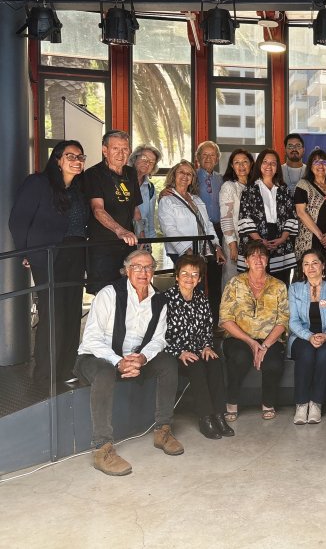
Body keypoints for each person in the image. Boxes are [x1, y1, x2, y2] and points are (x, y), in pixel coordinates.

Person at [73, 250, 182, 476]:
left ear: (153, 271)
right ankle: (102, 449)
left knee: (168, 364)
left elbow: (159, 339)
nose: (143, 272)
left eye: (148, 267)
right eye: (137, 267)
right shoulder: (109, 294)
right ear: (127, 270)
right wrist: (118, 362)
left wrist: (142, 358)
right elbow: (91, 339)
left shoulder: (159, 300)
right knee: (104, 372)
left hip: (134, 358)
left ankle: (163, 430)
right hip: (96, 358)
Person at [9, 140, 89, 384]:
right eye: (70, 156)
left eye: (80, 157)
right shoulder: (38, 183)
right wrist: (25, 252)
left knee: (72, 311)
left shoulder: (79, 188)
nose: (77, 161)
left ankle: (66, 369)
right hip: (49, 254)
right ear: (57, 160)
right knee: (53, 313)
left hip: (76, 253)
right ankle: (45, 374)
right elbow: (18, 220)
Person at [164, 254, 233, 440]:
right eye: (185, 273)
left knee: (214, 362)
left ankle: (219, 415)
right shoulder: (165, 299)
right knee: (197, 367)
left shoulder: (201, 298)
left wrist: (207, 347)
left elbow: (207, 328)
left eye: (195, 274)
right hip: (174, 353)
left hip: (197, 349)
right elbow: (159, 335)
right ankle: (205, 418)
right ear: (177, 276)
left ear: (200, 279)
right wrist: (180, 352)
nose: (190, 278)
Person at [219, 241, 289, 422]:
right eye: (253, 256)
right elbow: (225, 319)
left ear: (267, 260)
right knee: (240, 357)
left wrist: (264, 345)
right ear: (246, 261)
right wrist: (251, 342)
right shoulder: (234, 283)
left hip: (270, 338)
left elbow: (283, 320)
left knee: (273, 363)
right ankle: (231, 402)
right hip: (238, 337)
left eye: (262, 255)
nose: (258, 259)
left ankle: (268, 403)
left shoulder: (279, 286)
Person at [157, 161, 226, 325]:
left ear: (192, 179)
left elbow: (207, 224)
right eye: (181, 172)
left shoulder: (196, 199)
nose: (185, 176)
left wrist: (217, 246)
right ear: (174, 175)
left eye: (189, 174)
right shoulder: (167, 200)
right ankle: (186, 326)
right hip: (183, 253)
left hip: (204, 250)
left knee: (210, 287)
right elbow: (169, 229)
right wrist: (186, 251)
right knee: (190, 288)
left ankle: (209, 324)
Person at [288, 249, 326, 425]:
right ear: (302, 268)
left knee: (325, 354)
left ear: (323, 265)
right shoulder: (295, 288)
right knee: (306, 353)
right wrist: (309, 336)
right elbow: (293, 321)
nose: (310, 267)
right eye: (306, 264)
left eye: (315, 263)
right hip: (302, 336)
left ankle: (316, 403)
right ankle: (301, 404)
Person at [83, 129, 142, 294]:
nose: (121, 153)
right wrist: (120, 231)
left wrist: (142, 237)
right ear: (105, 150)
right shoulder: (93, 174)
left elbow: (135, 209)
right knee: (105, 294)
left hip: (128, 245)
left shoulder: (131, 173)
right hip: (103, 246)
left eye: (125, 149)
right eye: (115, 148)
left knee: (129, 292)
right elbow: (97, 209)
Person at [238, 149, 298, 285]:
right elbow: (245, 218)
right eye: (265, 162)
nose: (269, 166)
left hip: (280, 241)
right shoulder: (249, 190)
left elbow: (292, 216)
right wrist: (260, 240)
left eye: (273, 163)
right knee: (255, 283)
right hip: (255, 241)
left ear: (277, 167)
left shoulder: (284, 189)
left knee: (280, 283)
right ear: (259, 164)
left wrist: (283, 238)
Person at [294, 149, 326, 278]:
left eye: (324, 162)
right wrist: (321, 237)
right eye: (316, 162)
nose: (320, 165)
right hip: (310, 243)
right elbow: (301, 212)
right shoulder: (303, 185)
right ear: (310, 166)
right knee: (307, 282)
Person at [219, 148, 254, 287]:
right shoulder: (229, 186)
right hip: (234, 241)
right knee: (232, 282)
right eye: (237, 162)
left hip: (253, 242)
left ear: (251, 164)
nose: (241, 166)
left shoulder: (256, 185)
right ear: (232, 166)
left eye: (245, 162)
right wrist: (232, 244)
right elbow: (226, 217)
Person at [129, 145, 162, 241]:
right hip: (122, 238)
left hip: (142, 239)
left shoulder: (150, 188)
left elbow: (150, 220)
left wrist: (150, 241)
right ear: (135, 158)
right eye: (144, 158)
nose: (147, 163)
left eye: (152, 162)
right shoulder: (121, 181)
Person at [195, 140, 224, 246]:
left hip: (219, 229)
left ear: (217, 159)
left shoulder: (220, 179)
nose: (208, 158)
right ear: (198, 157)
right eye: (205, 154)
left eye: (212, 155)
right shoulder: (190, 177)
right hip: (198, 229)